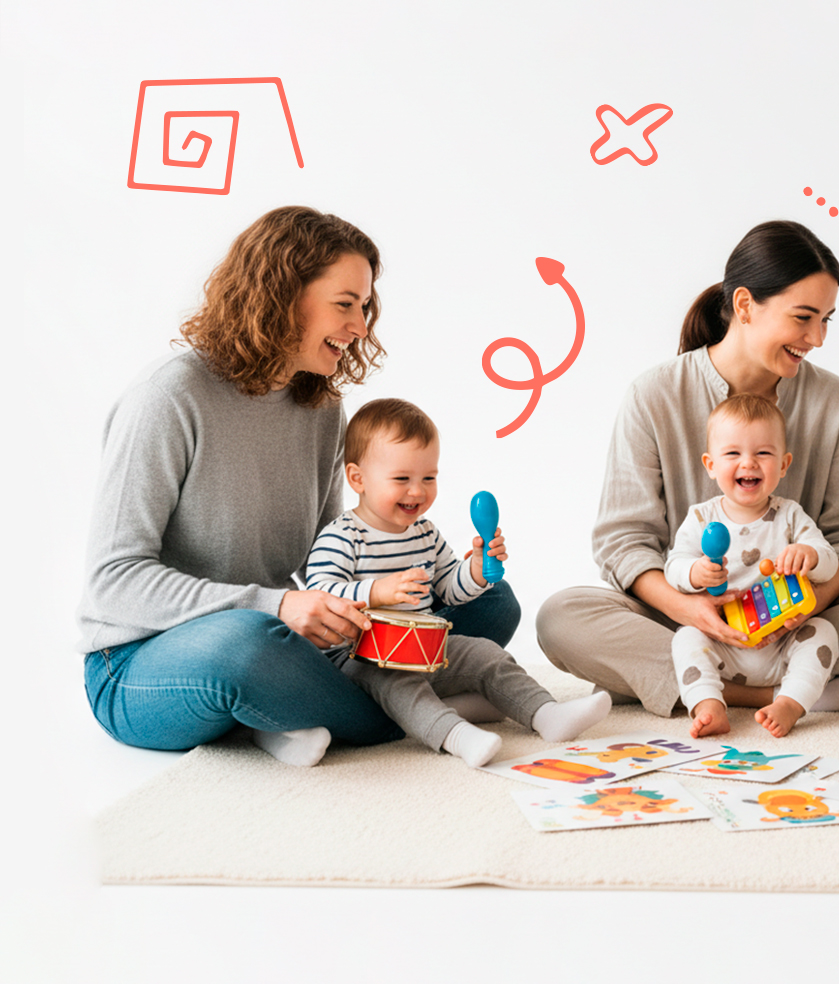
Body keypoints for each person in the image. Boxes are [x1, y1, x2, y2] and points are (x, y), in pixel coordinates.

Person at [77, 206, 518, 767]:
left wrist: (379, 592)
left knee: (491, 604)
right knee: (248, 647)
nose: (359, 327)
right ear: (280, 295)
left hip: (280, 633)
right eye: (344, 305)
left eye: (364, 307)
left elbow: (330, 554)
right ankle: (415, 711)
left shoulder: (320, 405)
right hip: (143, 661)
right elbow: (112, 583)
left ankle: (296, 712)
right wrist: (277, 605)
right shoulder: (167, 400)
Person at [537, 220, 839, 717]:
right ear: (746, 305)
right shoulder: (655, 394)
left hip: (796, 622)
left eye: (827, 320)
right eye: (804, 317)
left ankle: (684, 684)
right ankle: (799, 693)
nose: (817, 337)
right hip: (686, 619)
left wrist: (805, 607)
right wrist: (691, 610)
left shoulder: (833, 400)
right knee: (561, 618)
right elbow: (623, 543)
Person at [305, 398, 611, 766]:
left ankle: (547, 714)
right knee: (398, 684)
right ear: (357, 479)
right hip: (359, 659)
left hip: (422, 648)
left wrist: (478, 570)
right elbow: (319, 592)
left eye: (428, 478)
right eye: (402, 479)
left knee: (485, 653)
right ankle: (456, 735)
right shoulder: (343, 535)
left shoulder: (424, 532)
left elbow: (449, 587)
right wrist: (377, 591)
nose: (417, 491)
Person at [666, 394, 839, 739]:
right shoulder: (700, 518)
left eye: (763, 453)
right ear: (710, 464)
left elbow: (828, 561)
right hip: (724, 640)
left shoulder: (790, 515)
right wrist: (695, 573)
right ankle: (709, 705)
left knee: (824, 633)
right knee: (685, 638)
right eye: (733, 453)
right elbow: (673, 568)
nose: (749, 463)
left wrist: (809, 555)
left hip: (784, 640)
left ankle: (790, 703)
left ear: (783, 465)